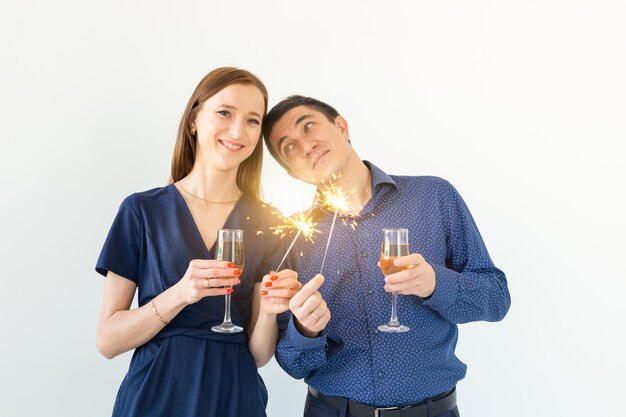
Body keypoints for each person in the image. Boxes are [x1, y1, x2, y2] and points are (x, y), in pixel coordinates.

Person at [262, 95, 511, 417]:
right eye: (289, 148)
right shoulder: (293, 236)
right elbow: (294, 364)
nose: (305, 145)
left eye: (309, 127)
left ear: (341, 126)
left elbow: (496, 300)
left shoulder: (433, 196)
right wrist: (306, 331)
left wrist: (436, 283)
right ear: (293, 173)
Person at [95, 67, 300, 417]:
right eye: (225, 113)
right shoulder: (142, 210)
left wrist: (267, 311)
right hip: (155, 398)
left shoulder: (272, 222)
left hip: (235, 397)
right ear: (194, 119)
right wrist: (180, 293)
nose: (238, 131)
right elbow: (107, 341)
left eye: (253, 120)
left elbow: (259, 354)